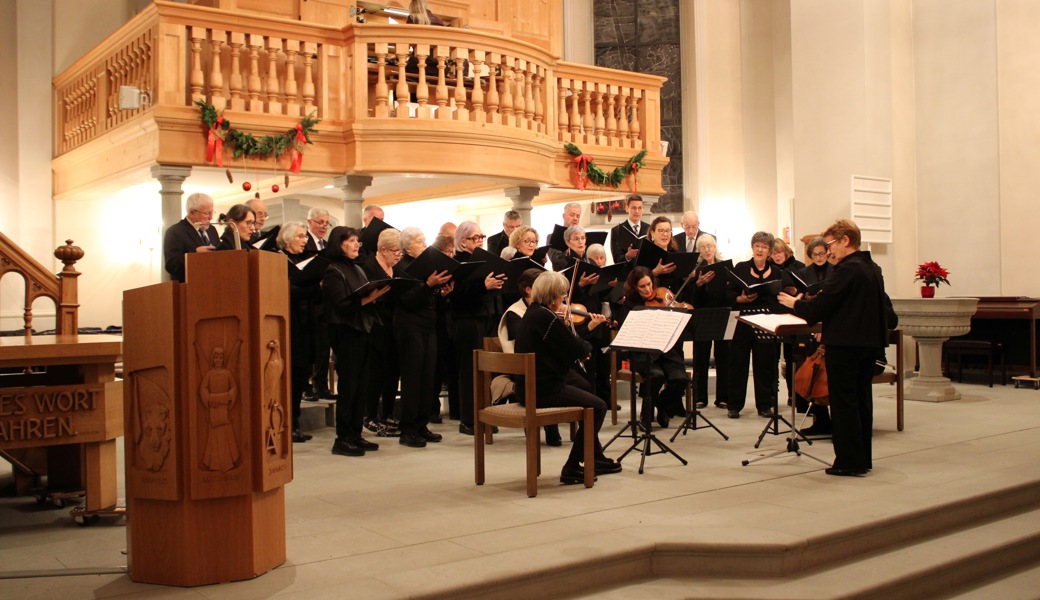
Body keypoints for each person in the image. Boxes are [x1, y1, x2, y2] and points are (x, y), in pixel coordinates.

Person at [778, 219, 895, 477]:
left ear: (846, 240)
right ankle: (862, 458)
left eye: (831, 244)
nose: (829, 250)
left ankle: (848, 462)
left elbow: (822, 307)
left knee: (844, 404)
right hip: (867, 345)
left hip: (846, 344)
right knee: (861, 401)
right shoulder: (871, 267)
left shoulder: (847, 270)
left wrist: (794, 304)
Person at [514, 271, 621, 483]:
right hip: (544, 390)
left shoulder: (534, 313)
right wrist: (585, 346)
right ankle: (572, 466)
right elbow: (576, 348)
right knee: (598, 406)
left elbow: (562, 348)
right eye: (562, 296)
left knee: (585, 392)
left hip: (531, 386)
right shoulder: (546, 318)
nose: (564, 300)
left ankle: (595, 456)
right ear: (553, 296)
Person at [322, 226, 391, 457]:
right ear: (338, 244)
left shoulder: (357, 269)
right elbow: (340, 306)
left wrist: (376, 295)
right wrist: (369, 298)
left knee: (362, 387)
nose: (356, 245)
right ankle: (342, 438)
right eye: (350, 241)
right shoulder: (333, 271)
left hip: (364, 331)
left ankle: (355, 434)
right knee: (349, 386)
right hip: (347, 333)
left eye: (357, 241)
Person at [395, 227, 453, 448]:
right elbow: (407, 300)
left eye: (424, 240)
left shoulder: (425, 265)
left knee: (428, 377)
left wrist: (441, 293)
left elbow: (428, 298)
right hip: (410, 328)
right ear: (407, 247)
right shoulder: (402, 268)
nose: (424, 244)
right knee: (413, 379)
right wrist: (429, 285)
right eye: (419, 241)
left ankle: (421, 424)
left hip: (428, 327)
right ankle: (408, 429)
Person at [616, 266, 690, 427]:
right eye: (642, 286)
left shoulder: (663, 299)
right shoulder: (629, 305)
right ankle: (646, 411)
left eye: (649, 284)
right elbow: (626, 331)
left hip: (668, 352)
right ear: (635, 287)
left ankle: (662, 406)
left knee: (680, 379)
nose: (648, 289)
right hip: (644, 354)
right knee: (655, 375)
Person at [452, 221, 506, 435]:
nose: (481, 240)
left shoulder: (485, 259)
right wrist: (483, 286)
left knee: (487, 371)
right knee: (470, 371)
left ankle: (486, 416)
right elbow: (458, 296)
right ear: (463, 241)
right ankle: (469, 419)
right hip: (467, 320)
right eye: (475, 237)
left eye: (482, 236)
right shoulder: (458, 263)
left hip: (487, 318)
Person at [727, 231, 782, 419]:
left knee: (764, 364)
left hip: (765, 322)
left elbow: (779, 297)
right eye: (757, 246)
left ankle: (764, 405)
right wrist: (740, 298)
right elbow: (728, 293)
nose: (760, 249)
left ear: (770, 251)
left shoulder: (776, 272)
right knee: (738, 363)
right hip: (742, 321)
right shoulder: (741, 268)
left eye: (764, 247)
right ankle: (734, 405)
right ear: (752, 247)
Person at [359, 229, 404, 438]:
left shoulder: (398, 268)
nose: (399, 255)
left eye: (400, 251)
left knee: (392, 371)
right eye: (395, 251)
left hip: (393, 326)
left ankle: (387, 413)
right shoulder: (369, 268)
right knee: (376, 372)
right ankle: (370, 416)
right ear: (383, 250)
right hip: (375, 326)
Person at [278, 221, 318, 442]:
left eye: (305, 236)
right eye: (300, 236)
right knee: (290, 379)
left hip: (306, 324)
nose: (305, 240)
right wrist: (314, 287)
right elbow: (287, 292)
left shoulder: (304, 260)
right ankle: (288, 424)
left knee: (301, 376)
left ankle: (296, 422)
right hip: (290, 324)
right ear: (287, 238)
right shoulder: (278, 260)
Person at [687, 234, 731, 410]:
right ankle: (700, 397)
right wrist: (698, 283)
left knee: (724, 357)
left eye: (710, 246)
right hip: (702, 316)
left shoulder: (724, 266)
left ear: (715, 247)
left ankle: (723, 397)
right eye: (703, 247)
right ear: (699, 250)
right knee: (701, 358)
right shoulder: (695, 270)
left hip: (722, 314)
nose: (707, 250)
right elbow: (689, 296)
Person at [163, 192, 218, 282]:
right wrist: (194, 254)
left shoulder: (212, 230)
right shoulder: (175, 232)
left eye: (212, 212)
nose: (211, 217)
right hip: (189, 287)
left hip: (212, 282)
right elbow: (171, 265)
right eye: (207, 213)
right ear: (192, 213)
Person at [609, 195, 649, 263]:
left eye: (639, 208)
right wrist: (627, 256)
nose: (637, 211)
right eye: (634, 208)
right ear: (627, 208)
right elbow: (616, 259)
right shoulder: (617, 231)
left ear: (643, 209)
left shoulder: (649, 229)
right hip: (627, 272)